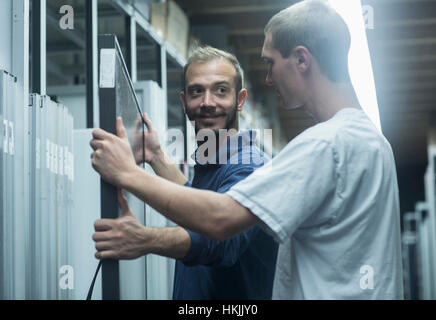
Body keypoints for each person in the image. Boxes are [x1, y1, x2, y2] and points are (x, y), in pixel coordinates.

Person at [91, 0, 404, 299]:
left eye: (271, 63)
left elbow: (221, 221)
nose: (268, 78)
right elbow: (213, 206)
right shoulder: (371, 140)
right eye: (196, 92)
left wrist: (128, 174)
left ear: (301, 60)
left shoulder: (324, 144)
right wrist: (158, 159)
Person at [92, 46, 278, 299]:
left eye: (220, 90)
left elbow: (219, 238)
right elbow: (199, 206)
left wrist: (144, 238)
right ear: (184, 102)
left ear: (240, 99)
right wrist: (156, 158)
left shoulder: (251, 166)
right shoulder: (215, 163)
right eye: (196, 91)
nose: (207, 102)